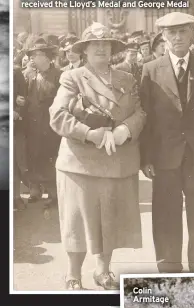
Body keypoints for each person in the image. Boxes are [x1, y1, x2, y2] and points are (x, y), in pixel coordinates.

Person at [49, 22, 146, 290]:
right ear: (84, 51)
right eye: (95, 45)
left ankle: (103, 271)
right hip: (81, 162)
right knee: (78, 222)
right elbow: (57, 116)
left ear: (113, 50)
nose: (101, 49)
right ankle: (73, 274)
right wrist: (90, 134)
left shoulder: (126, 78)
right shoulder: (72, 77)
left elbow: (140, 113)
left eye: (106, 45)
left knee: (109, 220)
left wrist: (125, 130)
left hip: (116, 160)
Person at [140, 12, 194, 273]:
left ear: (192, 35)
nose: (177, 37)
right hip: (165, 155)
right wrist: (146, 158)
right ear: (163, 37)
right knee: (166, 213)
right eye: (171, 33)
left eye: (182, 32)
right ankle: (168, 268)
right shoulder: (150, 70)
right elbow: (146, 117)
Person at [25, 36, 62, 209]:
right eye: (32, 55)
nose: (33, 58)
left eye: (37, 54)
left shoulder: (59, 76)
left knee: (51, 158)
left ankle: (54, 194)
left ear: (47, 57)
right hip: (33, 125)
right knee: (34, 157)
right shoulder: (30, 74)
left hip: (51, 126)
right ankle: (36, 189)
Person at [13, 65, 28, 211]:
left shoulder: (15, 72)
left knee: (13, 163)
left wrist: (16, 111)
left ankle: (15, 197)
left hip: (13, 125)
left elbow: (23, 97)